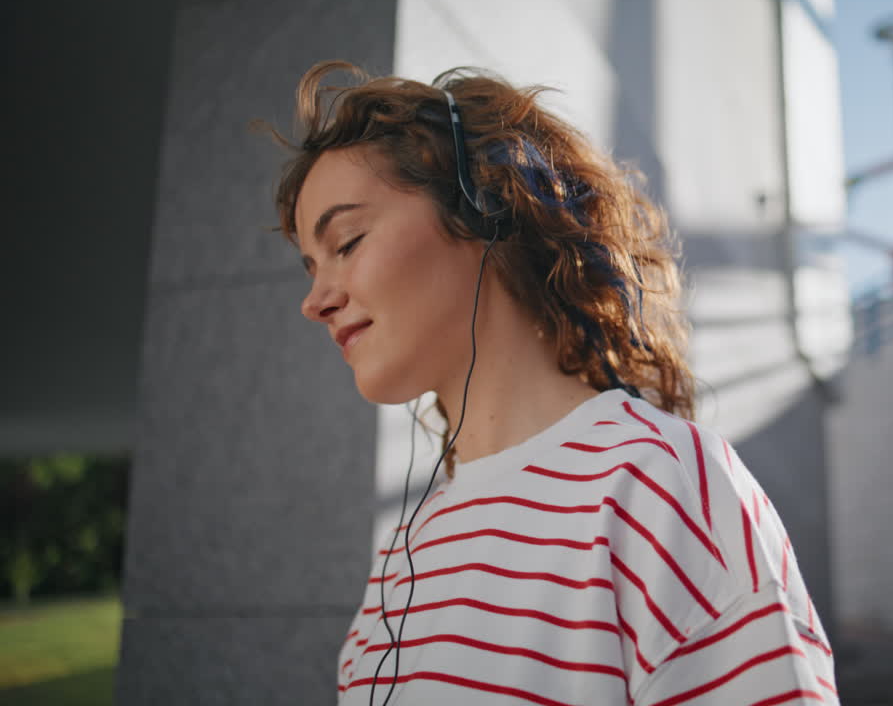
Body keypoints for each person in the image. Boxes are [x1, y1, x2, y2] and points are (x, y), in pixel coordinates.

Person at [269, 60, 838, 705]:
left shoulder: (658, 481)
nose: (314, 302)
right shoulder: (405, 552)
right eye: (310, 267)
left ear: (486, 208)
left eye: (346, 242)